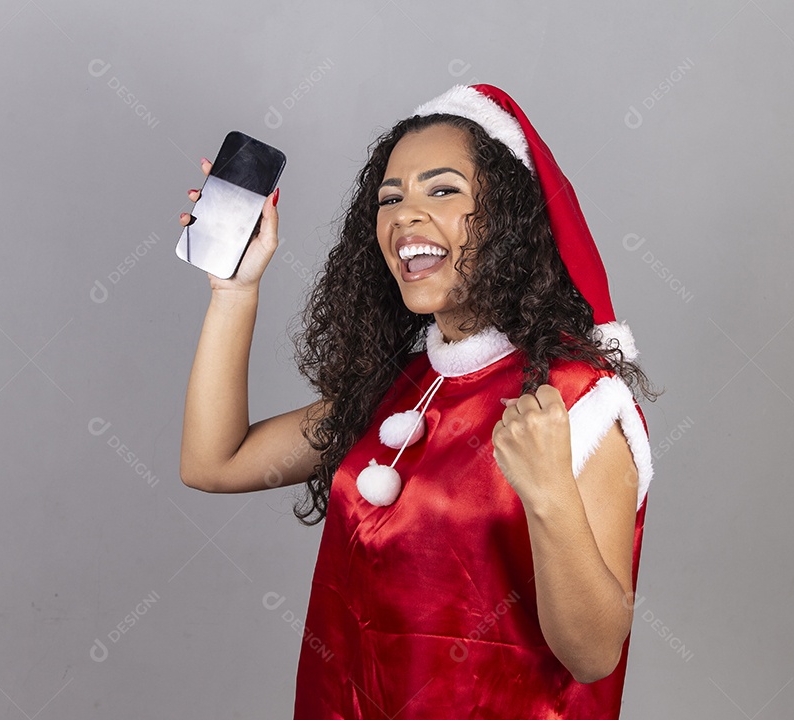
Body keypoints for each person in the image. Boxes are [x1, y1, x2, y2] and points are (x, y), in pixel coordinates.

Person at [180, 83, 662, 719]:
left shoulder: (579, 400)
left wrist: (549, 493)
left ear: (510, 219)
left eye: (442, 190)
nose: (405, 215)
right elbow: (215, 463)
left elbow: (594, 653)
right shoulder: (397, 386)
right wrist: (234, 292)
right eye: (390, 198)